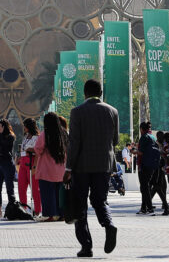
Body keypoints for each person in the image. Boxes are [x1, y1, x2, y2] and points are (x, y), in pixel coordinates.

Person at [65, 79, 119, 258]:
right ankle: (108, 224)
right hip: (104, 165)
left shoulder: (77, 112)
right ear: (101, 92)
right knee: (100, 200)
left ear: (85, 93)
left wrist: (68, 168)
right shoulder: (113, 111)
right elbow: (115, 141)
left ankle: (86, 246)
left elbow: (74, 143)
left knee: (80, 205)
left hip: (82, 166)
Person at [34, 112, 66, 222]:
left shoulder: (45, 134)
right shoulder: (64, 133)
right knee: (60, 194)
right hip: (61, 169)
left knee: (47, 193)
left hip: (47, 170)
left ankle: (50, 214)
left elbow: (38, 149)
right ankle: (62, 214)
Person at [136, 122, 165, 216]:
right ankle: (144, 208)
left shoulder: (144, 137)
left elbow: (140, 152)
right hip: (153, 165)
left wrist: (133, 151)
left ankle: (149, 209)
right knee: (146, 187)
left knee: (144, 187)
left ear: (141, 129)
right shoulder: (153, 137)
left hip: (144, 165)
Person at [0, 118, 16, 217]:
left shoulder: (10, 136)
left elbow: (5, 147)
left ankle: (12, 208)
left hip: (7, 163)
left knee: (9, 187)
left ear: (3, 127)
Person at [18, 117, 41, 216]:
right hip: (23, 162)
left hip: (31, 162)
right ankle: (24, 208)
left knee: (35, 188)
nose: (24, 128)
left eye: (25, 126)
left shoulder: (37, 137)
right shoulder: (26, 136)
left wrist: (31, 150)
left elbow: (37, 151)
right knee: (21, 186)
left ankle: (37, 210)